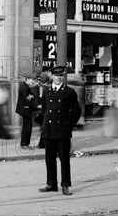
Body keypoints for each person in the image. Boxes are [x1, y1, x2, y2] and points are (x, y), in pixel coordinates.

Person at [38, 65, 81, 196]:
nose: (58, 78)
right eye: (56, 75)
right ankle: (51, 183)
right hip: (49, 130)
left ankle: (66, 185)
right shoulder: (46, 91)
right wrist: (44, 125)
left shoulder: (69, 92)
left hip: (62, 131)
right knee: (49, 159)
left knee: (64, 159)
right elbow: (44, 110)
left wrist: (68, 125)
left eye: (61, 75)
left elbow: (76, 112)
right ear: (52, 76)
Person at [16, 73, 39, 148]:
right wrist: (35, 105)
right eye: (32, 80)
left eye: (33, 80)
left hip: (26, 109)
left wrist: (32, 96)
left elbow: (32, 95)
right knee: (27, 128)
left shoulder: (26, 86)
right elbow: (25, 101)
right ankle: (25, 144)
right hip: (25, 109)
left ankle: (25, 143)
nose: (32, 81)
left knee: (27, 127)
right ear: (27, 79)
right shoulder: (24, 88)